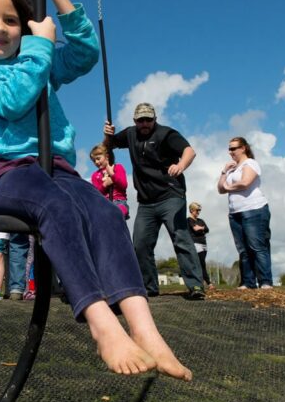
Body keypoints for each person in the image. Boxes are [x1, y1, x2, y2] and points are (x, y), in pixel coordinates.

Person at [0, 0, 191, 380]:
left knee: (105, 213)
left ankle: (147, 329)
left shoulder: (38, 58)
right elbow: (12, 99)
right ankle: (102, 324)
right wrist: (39, 47)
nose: (0, 28)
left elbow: (84, 54)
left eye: (10, 19)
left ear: (24, 26)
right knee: (55, 207)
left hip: (58, 168)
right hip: (7, 173)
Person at [104, 103, 205, 300]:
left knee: (181, 237)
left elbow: (189, 151)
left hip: (170, 195)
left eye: (148, 120)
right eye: (140, 120)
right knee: (140, 244)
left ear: (155, 119)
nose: (144, 124)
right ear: (135, 121)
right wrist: (108, 135)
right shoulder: (131, 134)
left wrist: (181, 165)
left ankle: (195, 286)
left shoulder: (166, 134)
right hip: (146, 201)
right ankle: (149, 287)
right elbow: (109, 145)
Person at [217, 136, 273, 290]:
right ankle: (248, 282)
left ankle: (265, 282)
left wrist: (228, 187)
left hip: (254, 209)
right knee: (243, 249)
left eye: (233, 148)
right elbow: (219, 188)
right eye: (229, 149)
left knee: (257, 246)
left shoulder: (250, 163)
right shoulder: (232, 169)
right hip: (235, 212)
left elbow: (245, 182)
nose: (231, 152)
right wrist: (224, 172)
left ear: (243, 148)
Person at [89, 143, 129, 219]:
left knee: (118, 212)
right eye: (94, 161)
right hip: (104, 203)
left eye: (98, 158)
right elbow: (96, 193)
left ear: (107, 156)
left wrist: (112, 174)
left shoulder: (118, 167)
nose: (96, 162)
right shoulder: (95, 175)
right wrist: (105, 184)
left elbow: (123, 185)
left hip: (119, 201)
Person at [187, 202, 212, 290]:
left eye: (199, 210)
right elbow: (195, 229)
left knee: (202, 263)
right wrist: (202, 228)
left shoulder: (200, 220)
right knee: (201, 264)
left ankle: (203, 282)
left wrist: (201, 228)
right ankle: (208, 283)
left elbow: (207, 229)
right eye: (197, 210)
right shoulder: (189, 220)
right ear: (191, 210)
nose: (198, 212)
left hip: (204, 244)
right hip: (196, 244)